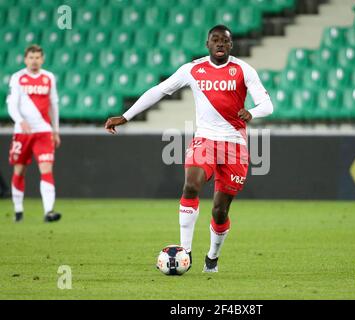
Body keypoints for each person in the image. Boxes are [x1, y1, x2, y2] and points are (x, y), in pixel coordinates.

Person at [105, 25, 273, 272]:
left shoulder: (243, 70)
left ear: (231, 45)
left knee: (219, 210)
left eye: (224, 41)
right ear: (207, 44)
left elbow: (267, 104)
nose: (219, 44)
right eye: (214, 40)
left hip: (234, 146)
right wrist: (126, 116)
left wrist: (252, 112)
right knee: (191, 185)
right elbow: (159, 90)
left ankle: (212, 257)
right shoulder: (193, 69)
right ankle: (186, 251)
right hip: (204, 139)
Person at [7, 44, 61, 223]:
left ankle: (48, 211)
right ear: (25, 59)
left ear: (42, 59)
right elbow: (12, 103)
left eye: (37, 57)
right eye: (31, 57)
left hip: (44, 131)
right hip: (22, 132)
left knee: (46, 168)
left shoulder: (48, 77)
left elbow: (54, 104)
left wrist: (56, 130)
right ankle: (18, 210)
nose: (34, 61)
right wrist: (20, 121)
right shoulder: (18, 78)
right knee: (19, 170)